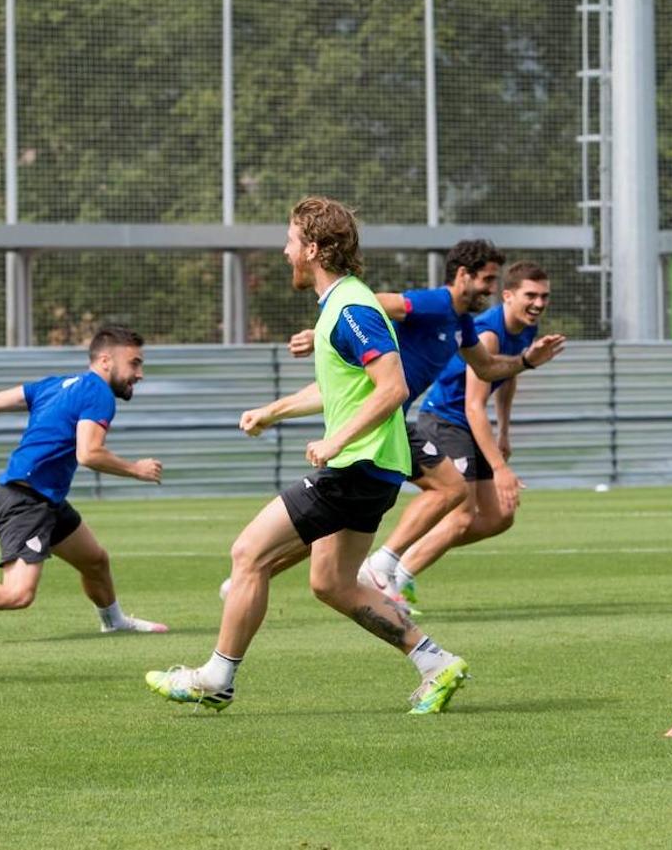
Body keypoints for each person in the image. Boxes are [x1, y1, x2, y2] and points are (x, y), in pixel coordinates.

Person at [146, 196, 468, 715]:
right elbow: (342, 389)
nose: (284, 251)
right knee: (332, 583)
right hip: (374, 467)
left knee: (248, 553)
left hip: (356, 465)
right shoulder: (340, 307)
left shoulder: (352, 308)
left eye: (291, 241)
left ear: (313, 249)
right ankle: (436, 663)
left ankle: (216, 677)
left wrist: (336, 441)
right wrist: (272, 411)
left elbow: (392, 387)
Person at [227, 241, 565, 604]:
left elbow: (488, 367)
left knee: (336, 527)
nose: (491, 289)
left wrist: (527, 361)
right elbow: (375, 304)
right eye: (487, 280)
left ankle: (254, 575)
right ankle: (383, 566)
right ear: (463, 276)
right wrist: (325, 331)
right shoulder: (435, 303)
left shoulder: (462, 323)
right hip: (383, 421)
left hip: (389, 422)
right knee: (450, 491)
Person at [0, 326, 168, 640]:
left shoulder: (57, 385)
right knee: (18, 593)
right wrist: (136, 469)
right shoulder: (98, 393)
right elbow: (89, 453)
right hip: (26, 499)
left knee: (95, 561)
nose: (140, 374)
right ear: (106, 360)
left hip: (43, 497)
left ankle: (113, 621)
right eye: (134, 363)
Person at [376, 261, 553, 607]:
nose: (539, 303)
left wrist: (504, 429)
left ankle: (401, 568)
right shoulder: (485, 331)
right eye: (531, 295)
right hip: (445, 420)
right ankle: (392, 577)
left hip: (468, 424)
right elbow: (473, 405)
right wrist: (500, 468)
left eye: (544, 296)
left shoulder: (527, 329)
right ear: (507, 295)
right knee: (462, 513)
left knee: (499, 517)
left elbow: (508, 374)